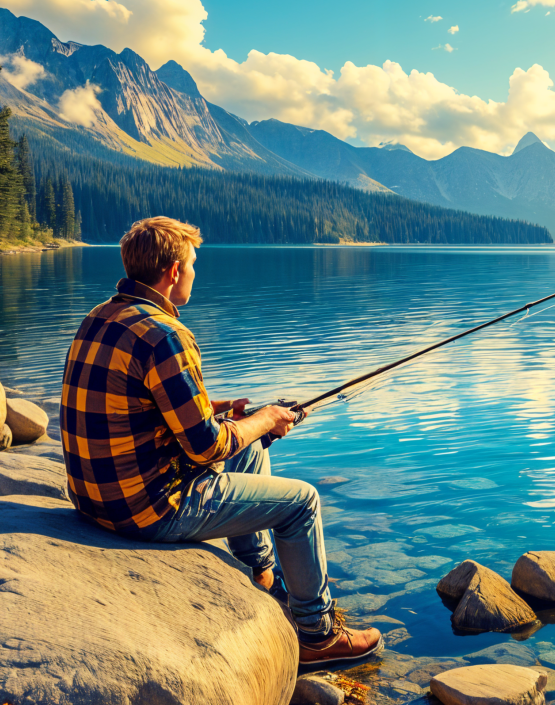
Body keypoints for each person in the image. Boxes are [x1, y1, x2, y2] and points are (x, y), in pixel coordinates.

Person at [60, 216, 380, 666]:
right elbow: (206, 449)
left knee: (247, 444)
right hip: (146, 509)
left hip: (92, 498)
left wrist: (223, 411)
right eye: (192, 263)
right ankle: (316, 634)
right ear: (173, 272)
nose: (194, 272)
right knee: (302, 502)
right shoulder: (166, 336)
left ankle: (260, 571)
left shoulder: (102, 316)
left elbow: (138, 405)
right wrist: (267, 418)